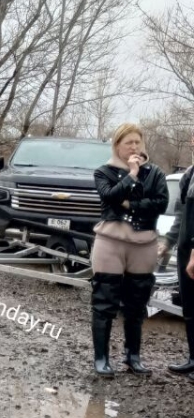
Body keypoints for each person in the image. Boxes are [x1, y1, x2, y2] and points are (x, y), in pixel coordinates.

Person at [91, 123, 169, 377]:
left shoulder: (155, 173)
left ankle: (133, 355)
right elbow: (109, 196)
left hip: (143, 244)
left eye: (138, 142)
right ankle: (101, 358)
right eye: (129, 143)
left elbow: (161, 203)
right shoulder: (103, 171)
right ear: (117, 145)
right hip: (110, 243)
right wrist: (132, 175)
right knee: (105, 301)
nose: (134, 147)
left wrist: (130, 204)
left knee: (137, 303)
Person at [163, 151, 194, 372]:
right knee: (190, 306)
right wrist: (168, 242)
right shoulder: (189, 175)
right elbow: (181, 216)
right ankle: (193, 360)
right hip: (185, 252)